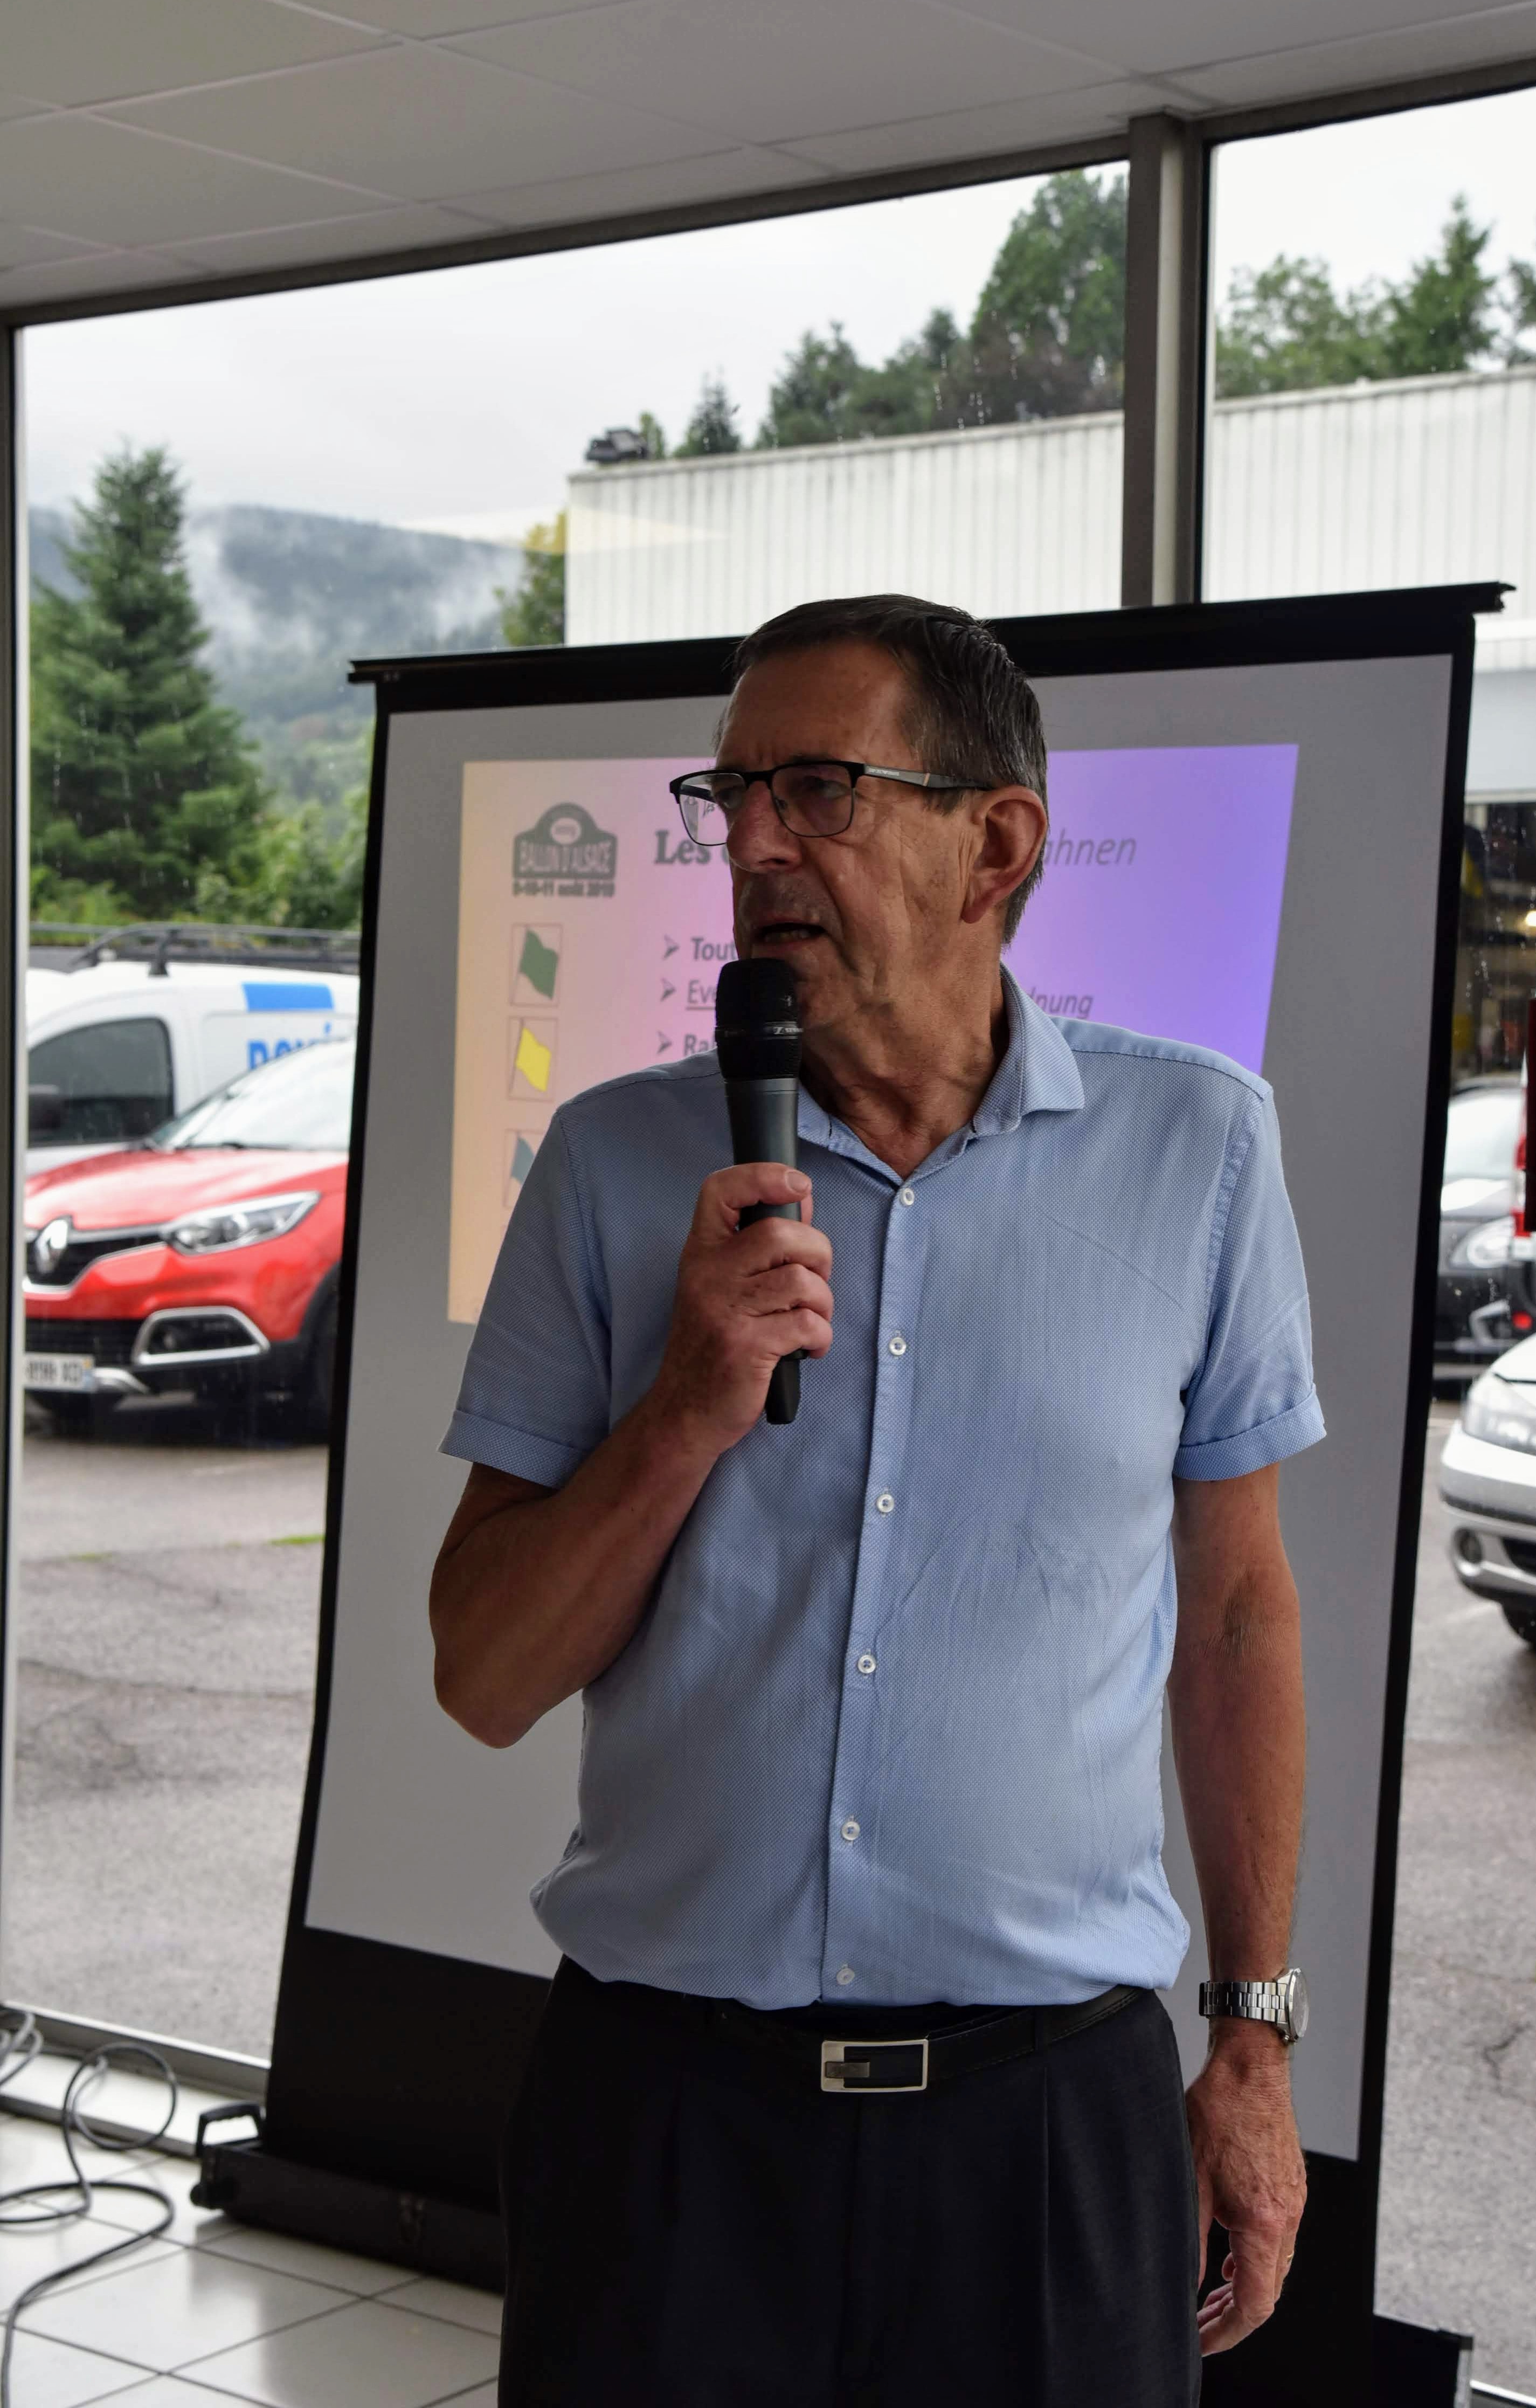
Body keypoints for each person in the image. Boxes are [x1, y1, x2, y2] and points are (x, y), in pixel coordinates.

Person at [431, 594, 1321, 2408]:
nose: (754, 841)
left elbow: (1236, 1614)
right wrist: (686, 1412)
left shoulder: (1201, 1150)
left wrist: (1251, 2041)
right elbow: (485, 1677)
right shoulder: (611, 1161)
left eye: (818, 789)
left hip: (1042, 2132)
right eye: (732, 794)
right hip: (670, 2126)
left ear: (995, 844)